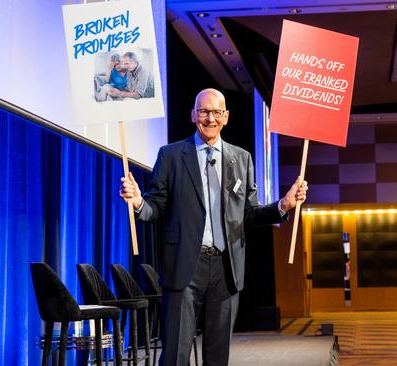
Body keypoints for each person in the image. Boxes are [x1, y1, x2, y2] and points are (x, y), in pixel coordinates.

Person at [119, 88, 308, 366]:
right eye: (204, 111)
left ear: (226, 117)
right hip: (184, 265)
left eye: (216, 112)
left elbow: (250, 213)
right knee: (174, 354)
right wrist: (137, 203)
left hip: (226, 268)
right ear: (193, 114)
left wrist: (283, 205)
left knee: (218, 355)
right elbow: (154, 207)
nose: (210, 118)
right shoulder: (170, 155)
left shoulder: (241, 158)